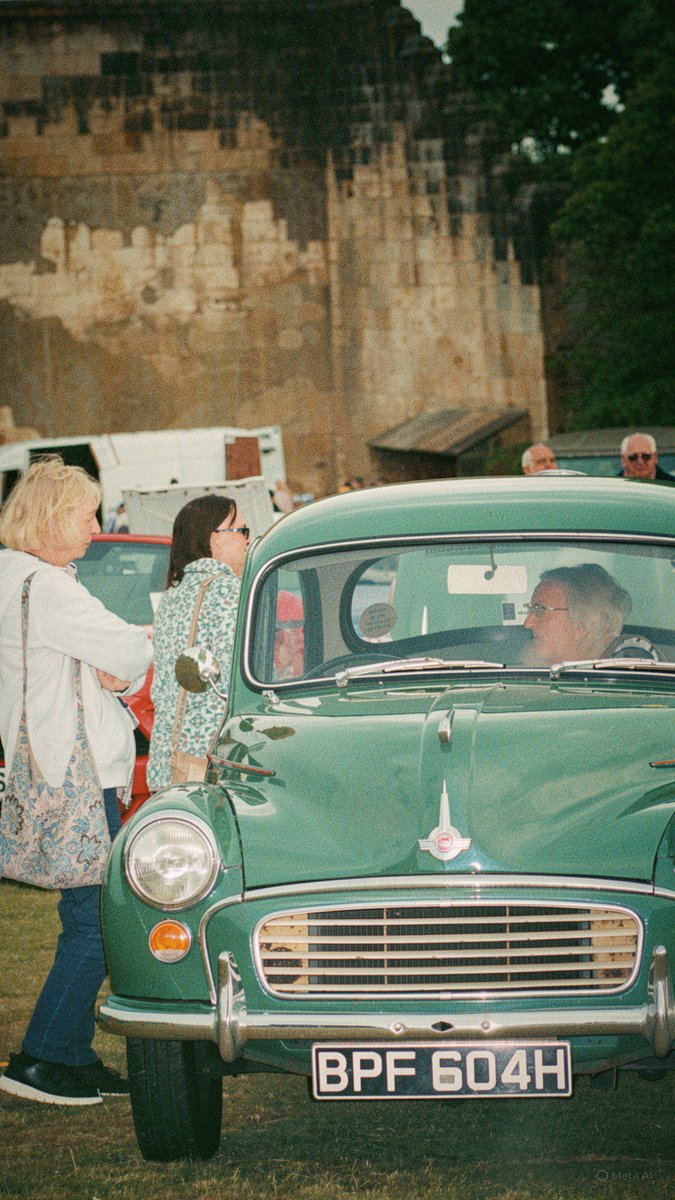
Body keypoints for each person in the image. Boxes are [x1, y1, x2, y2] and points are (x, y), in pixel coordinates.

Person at [0, 456, 152, 1105]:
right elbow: (130, 649)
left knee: (84, 918)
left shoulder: (14, 577)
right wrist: (134, 655)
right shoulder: (49, 588)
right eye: (87, 514)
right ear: (52, 517)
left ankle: (71, 1052)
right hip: (79, 778)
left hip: (48, 768)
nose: (96, 526)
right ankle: (42, 1057)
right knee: (96, 924)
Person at [146, 494, 249, 791]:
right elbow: (236, 683)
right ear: (214, 540)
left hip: (168, 756)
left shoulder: (173, 593)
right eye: (241, 530)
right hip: (211, 760)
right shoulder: (227, 590)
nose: (247, 540)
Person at [522, 564, 631, 667]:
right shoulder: (528, 668)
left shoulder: (626, 672)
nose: (527, 624)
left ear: (581, 625)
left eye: (540, 610)